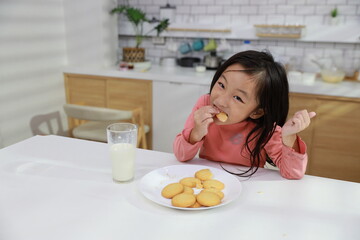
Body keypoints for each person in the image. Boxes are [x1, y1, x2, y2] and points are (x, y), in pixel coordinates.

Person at [173, 50, 316, 179]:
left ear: (257, 112)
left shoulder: (265, 129)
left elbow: (293, 173)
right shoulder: (205, 104)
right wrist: (196, 132)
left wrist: (289, 137)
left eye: (238, 98)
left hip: (247, 186)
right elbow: (181, 155)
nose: (220, 101)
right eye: (222, 85)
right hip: (207, 180)